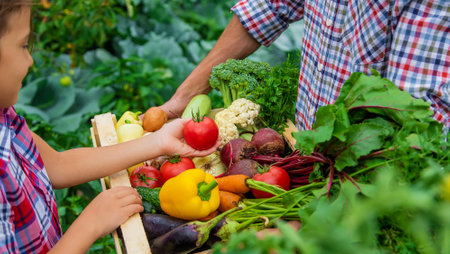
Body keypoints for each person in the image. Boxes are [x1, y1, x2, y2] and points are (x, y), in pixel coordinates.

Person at [0, 1, 218, 254]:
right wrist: (89, 224)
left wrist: (158, 142)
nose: (30, 60)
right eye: (22, 45)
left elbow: (56, 164)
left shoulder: (5, 116)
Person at [160, 0, 449, 132]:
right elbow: (270, 6)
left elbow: (412, 121)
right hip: (305, 150)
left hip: (365, 188)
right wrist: (185, 96)